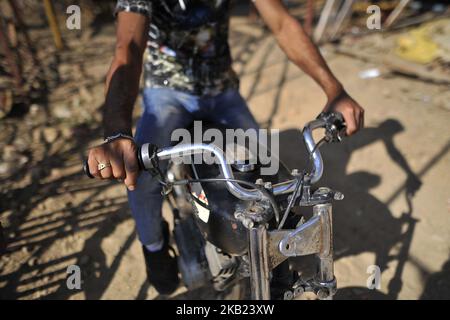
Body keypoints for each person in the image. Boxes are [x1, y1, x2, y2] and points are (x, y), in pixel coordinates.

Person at [87, 0, 364, 295]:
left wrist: (335, 90)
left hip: (222, 92)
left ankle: (273, 250)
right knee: (141, 176)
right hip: (167, 95)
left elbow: (283, 24)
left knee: (268, 174)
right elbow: (128, 48)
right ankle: (154, 247)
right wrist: (116, 134)